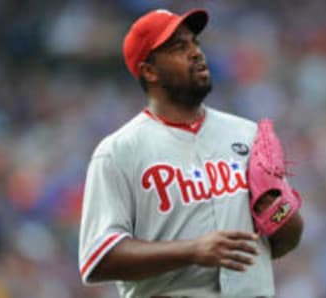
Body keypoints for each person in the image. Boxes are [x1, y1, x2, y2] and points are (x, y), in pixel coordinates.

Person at [78, 8, 303, 297]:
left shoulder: (246, 135)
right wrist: (192, 250)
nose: (196, 52)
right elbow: (97, 259)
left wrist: (278, 210)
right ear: (149, 70)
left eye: (195, 42)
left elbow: (286, 240)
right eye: (178, 47)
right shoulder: (119, 151)